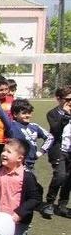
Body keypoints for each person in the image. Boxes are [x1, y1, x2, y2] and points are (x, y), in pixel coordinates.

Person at [43, 85, 71, 218]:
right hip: (58, 149)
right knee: (60, 176)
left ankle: (62, 205)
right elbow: (55, 129)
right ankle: (49, 203)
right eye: (68, 99)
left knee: (68, 178)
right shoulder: (53, 113)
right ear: (59, 99)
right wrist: (65, 114)